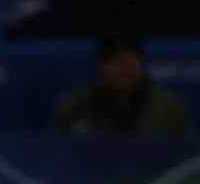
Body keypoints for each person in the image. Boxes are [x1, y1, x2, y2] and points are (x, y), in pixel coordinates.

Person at [51, 34, 192, 138]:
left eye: (130, 63)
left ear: (142, 65)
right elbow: (61, 153)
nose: (124, 70)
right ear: (100, 67)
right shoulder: (74, 106)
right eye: (116, 62)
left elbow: (181, 154)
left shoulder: (168, 107)